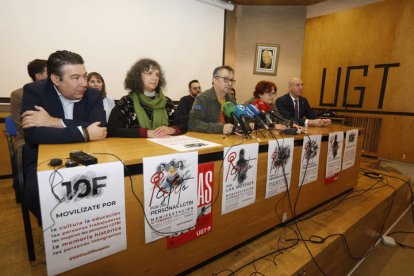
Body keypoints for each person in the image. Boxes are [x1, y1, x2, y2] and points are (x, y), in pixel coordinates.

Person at [21, 50, 107, 223]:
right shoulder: (35, 91)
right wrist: (84, 132)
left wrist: (54, 122)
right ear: (55, 79)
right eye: (75, 78)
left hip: (89, 154)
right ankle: (54, 230)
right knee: (37, 193)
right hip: (43, 159)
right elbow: (34, 133)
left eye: (84, 75)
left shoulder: (92, 94)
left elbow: (99, 129)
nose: (83, 83)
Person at [108, 58, 183, 138]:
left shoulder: (167, 102)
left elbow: (184, 124)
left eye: (157, 74)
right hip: (136, 149)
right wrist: (144, 133)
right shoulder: (126, 102)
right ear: (138, 77)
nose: (155, 78)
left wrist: (172, 130)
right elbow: (113, 130)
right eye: (150, 73)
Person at [10, 59, 48, 148]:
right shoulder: (18, 95)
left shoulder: (58, 91)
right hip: (27, 137)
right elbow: (21, 127)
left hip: (55, 134)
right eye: (50, 73)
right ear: (39, 76)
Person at [188, 65, 236, 134]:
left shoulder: (230, 99)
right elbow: (193, 124)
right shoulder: (202, 98)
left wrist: (247, 122)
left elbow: (236, 119)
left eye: (231, 80)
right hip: (207, 141)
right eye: (226, 79)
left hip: (227, 140)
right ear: (215, 79)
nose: (230, 83)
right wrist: (220, 128)